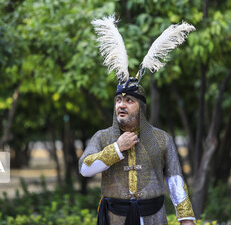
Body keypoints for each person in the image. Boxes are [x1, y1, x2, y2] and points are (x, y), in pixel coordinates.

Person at [79, 15, 196, 225]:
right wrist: (116, 149)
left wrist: (186, 218)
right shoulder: (103, 137)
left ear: (141, 108)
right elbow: (85, 169)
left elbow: (175, 179)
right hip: (114, 218)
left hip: (153, 218)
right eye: (118, 100)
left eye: (129, 100)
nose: (121, 105)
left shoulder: (161, 139)